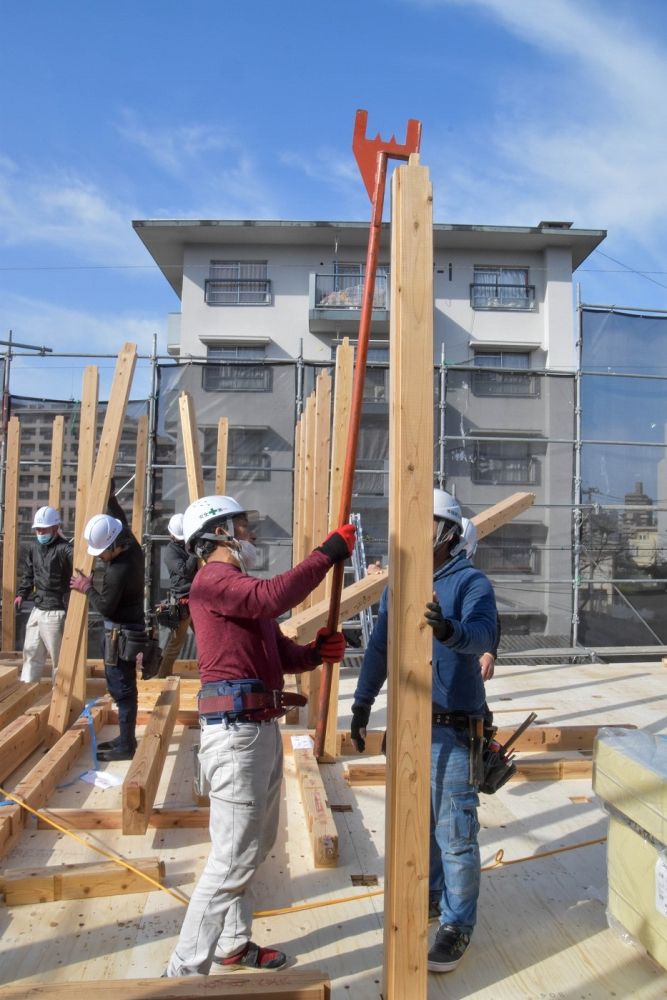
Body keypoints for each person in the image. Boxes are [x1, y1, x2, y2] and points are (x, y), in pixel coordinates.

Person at [166, 494, 355, 977]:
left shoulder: (236, 588)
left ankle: (232, 945)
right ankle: (182, 975)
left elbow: (278, 653)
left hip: (256, 730)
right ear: (220, 532)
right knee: (233, 860)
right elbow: (273, 597)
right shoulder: (212, 581)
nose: (251, 535)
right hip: (236, 736)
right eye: (244, 527)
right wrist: (326, 554)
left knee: (250, 847)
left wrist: (314, 654)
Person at [350, 489, 497, 973]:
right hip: (409, 726)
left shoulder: (471, 582)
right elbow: (379, 647)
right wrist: (362, 701)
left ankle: (457, 926)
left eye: (427, 525)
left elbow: (481, 633)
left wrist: (448, 630)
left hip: (453, 729)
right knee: (420, 828)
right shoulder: (402, 585)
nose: (416, 535)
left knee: (455, 833)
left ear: (448, 534)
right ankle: (434, 897)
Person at [70, 512, 146, 762]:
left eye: (102, 552)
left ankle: (126, 746)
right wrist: (110, 494)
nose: (100, 557)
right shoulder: (133, 547)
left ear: (114, 545)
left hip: (119, 635)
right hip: (128, 630)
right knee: (124, 689)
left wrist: (87, 588)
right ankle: (126, 739)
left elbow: (105, 607)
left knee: (122, 691)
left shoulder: (118, 571)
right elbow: (120, 517)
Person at [15, 506, 73, 683]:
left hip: (55, 611)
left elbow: (79, 561)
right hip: (38, 609)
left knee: (59, 661)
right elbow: (29, 573)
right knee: (31, 653)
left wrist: (70, 545)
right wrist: (22, 594)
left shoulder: (64, 549)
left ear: (55, 528)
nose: (40, 532)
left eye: (44, 529)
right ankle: (27, 691)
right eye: (38, 529)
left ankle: (59, 700)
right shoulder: (34, 548)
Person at [158, 513, 198, 677]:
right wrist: (195, 553)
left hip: (198, 600)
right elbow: (186, 571)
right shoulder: (170, 552)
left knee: (206, 641)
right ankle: (162, 676)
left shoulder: (187, 544)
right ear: (172, 535)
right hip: (182, 602)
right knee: (175, 644)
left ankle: (210, 674)